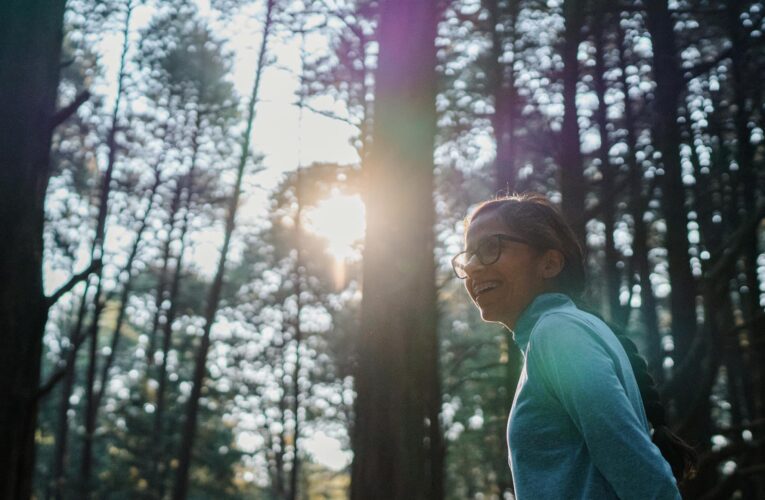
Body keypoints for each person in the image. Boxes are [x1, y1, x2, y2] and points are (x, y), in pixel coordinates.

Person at [451, 193, 696, 499]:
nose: (472, 267)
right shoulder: (563, 331)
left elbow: (638, 467)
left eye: (490, 248)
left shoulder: (558, 333)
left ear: (550, 263)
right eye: (468, 256)